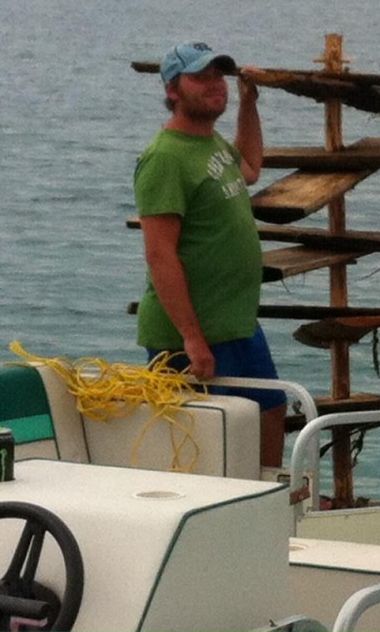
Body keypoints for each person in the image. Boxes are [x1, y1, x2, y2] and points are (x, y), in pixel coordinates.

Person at [134, 41, 286, 466]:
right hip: (192, 337)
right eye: (200, 77)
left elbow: (251, 167)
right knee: (201, 443)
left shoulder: (211, 143)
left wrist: (248, 105)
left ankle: (269, 503)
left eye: (219, 76)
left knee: (270, 412)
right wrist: (192, 338)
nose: (214, 85)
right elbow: (159, 255)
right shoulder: (165, 158)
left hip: (236, 325)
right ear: (172, 90)